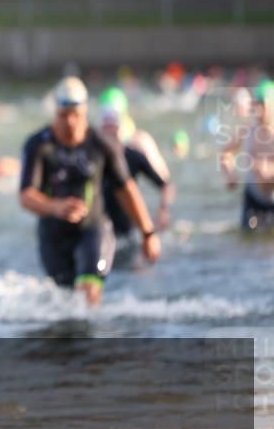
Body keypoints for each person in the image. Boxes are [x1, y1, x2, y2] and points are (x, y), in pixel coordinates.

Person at [19, 77, 161, 306]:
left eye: (76, 115)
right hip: (54, 235)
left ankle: (95, 329)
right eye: (64, 115)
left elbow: (127, 189)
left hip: (94, 230)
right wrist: (55, 207)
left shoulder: (102, 144)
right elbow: (26, 196)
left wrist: (148, 233)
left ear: (85, 112)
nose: (70, 122)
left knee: (88, 291)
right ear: (55, 112)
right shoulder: (38, 145)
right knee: (66, 302)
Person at [100, 106, 176, 268]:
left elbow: (166, 186)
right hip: (103, 229)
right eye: (106, 127)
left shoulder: (133, 156)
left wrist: (164, 210)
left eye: (113, 127)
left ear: (120, 129)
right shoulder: (94, 158)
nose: (110, 131)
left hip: (129, 232)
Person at [221, 79, 274, 230]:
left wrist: (270, 171)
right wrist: (230, 174)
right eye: (256, 103)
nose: (258, 109)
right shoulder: (248, 130)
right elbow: (226, 153)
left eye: (262, 103)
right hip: (253, 199)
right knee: (247, 238)